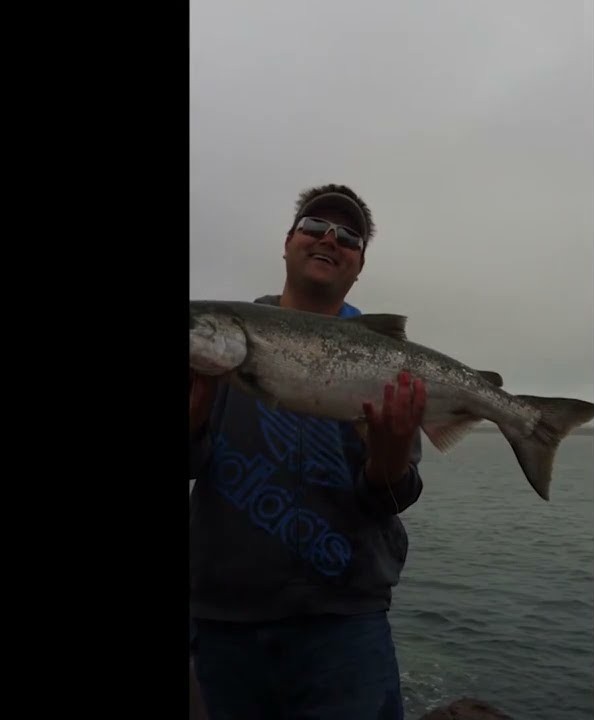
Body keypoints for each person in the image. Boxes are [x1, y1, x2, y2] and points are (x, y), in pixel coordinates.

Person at [189, 184, 426, 720]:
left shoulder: (390, 361)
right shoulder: (219, 346)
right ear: (289, 241)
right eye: (314, 225)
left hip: (344, 623)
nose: (329, 238)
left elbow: (396, 494)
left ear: (359, 265)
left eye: (349, 236)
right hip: (225, 617)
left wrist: (387, 458)